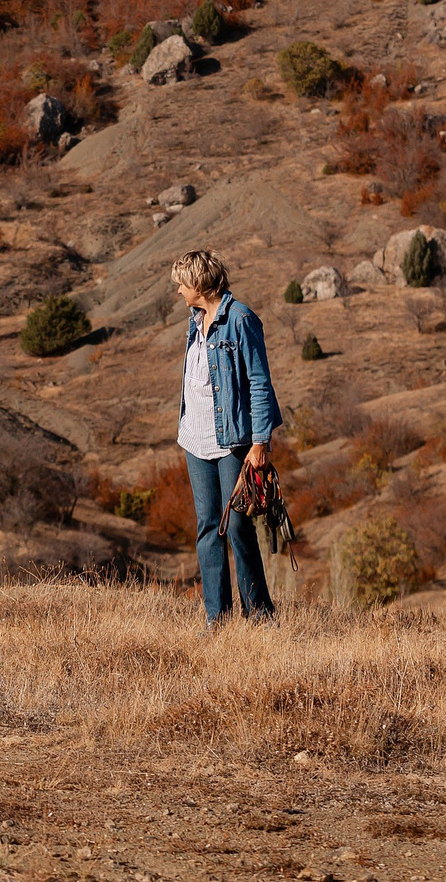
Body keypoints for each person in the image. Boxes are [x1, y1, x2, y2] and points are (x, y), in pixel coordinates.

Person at [172, 247, 282, 623]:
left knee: (236, 525)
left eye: (182, 284)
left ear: (199, 283)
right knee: (207, 528)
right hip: (195, 440)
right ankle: (216, 618)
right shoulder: (195, 319)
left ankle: (260, 616)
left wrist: (260, 442)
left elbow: (259, 383)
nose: (179, 292)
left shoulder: (240, 319)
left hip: (232, 440)